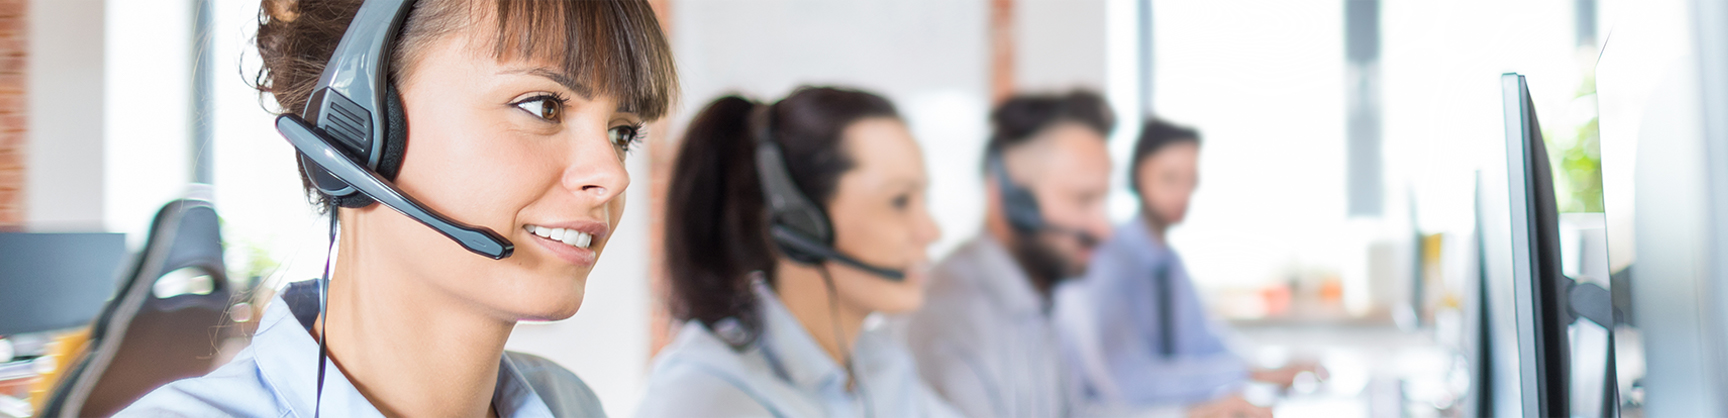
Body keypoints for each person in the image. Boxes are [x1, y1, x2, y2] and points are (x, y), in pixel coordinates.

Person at [119, 0, 676, 416]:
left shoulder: (569, 404)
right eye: (543, 105)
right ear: (357, 125)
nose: (612, 173)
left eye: (622, 133)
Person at [636, 86, 958, 417]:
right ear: (800, 221)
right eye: (899, 201)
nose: (930, 232)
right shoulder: (705, 398)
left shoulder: (880, 365)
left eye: (923, 200)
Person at [1062, 118, 1325, 413]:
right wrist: (1245, 375)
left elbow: (1203, 341)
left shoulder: (1171, 265)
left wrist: (1266, 367)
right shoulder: (1105, 262)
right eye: (1169, 178)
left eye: (1190, 181)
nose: (1182, 194)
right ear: (1138, 175)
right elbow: (1129, 382)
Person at [902, 91, 1119, 418]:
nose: (1104, 229)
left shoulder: (1040, 295)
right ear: (1009, 197)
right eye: (1082, 199)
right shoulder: (950, 318)